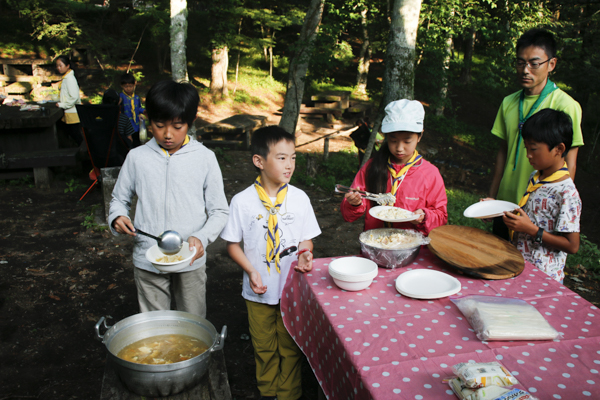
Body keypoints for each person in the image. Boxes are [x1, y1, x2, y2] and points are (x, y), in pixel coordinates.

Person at [108, 80, 229, 317]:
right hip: (148, 257)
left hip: (190, 258)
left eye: (177, 126)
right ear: (147, 119)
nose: (167, 134)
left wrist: (202, 238)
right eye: (159, 125)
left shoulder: (204, 158)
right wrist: (117, 217)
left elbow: (219, 211)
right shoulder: (137, 157)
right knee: (155, 325)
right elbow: (119, 199)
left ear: (191, 122)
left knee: (193, 322)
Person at [220, 126, 321, 400]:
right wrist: (251, 271)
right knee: (263, 345)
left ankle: (288, 394)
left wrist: (305, 254)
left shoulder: (300, 198)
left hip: (291, 289)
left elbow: (306, 240)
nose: (289, 165)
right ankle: (268, 391)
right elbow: (232, 244)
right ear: (259, 161)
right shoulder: (242, 201)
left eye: (293, 158)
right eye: (281, 158)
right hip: (258, 290)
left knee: (290, 345)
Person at [487, 28, 584, 240]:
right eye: (520, 62)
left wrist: (558, 208)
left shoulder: (566, 106)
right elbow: (503, 153)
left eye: (534, 63)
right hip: (505, 205)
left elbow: (571, 163)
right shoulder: (508, 102)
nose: (525, 70)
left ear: (551, 64)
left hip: (537, 211)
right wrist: (493, 196)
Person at [341, 99, 447, 236]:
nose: (399, 148)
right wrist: (354, 203)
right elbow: (348, 215)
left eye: (407, 141)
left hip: (413, 248)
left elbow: (441, 217)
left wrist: (424, 217)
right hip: (375, 243)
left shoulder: (430, 174)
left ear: (420, 136)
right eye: (393, 140)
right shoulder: (372, 167)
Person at [502, 109, 581, 282]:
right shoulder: (536, 177)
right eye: (526, 148)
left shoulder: (566, 192)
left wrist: (531, 230)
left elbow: (572, 245)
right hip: (520, 265)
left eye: (534, 149)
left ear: (559, 149)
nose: (528, 155)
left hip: (544, 277)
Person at [55, 55, 83, 146]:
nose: (58, 68)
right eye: (57, 66)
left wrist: (62, 105)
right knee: (68, 133)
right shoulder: (66, 78)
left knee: (77, 136)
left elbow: (74, 97)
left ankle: (88, 154)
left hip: (72, 113)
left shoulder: (70, 79)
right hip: (68, 113)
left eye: (60, 65)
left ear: (67, 66)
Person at [119, 72, 145, 147]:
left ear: (134, 85)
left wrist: (143, 112)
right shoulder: (121, 97)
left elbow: (138, 108)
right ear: (122, 86)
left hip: (136, 126)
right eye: (126, 86)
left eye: (130, 86)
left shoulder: (136, 97)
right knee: (128, 144)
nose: (128, 88)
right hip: (126, 126)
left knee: (137, 143)